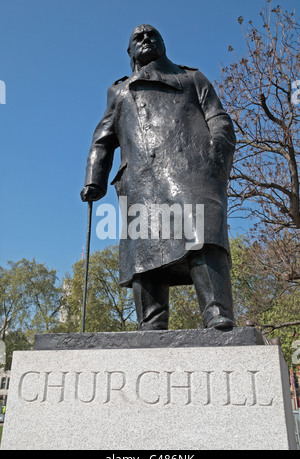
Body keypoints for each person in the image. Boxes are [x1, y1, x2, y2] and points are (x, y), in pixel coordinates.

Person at [81, 24, 236, 331]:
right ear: (130, 52)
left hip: (192, 171)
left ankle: (217, 312)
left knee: (203, 236)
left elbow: (219, 118)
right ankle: (151, 322)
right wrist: (94, 179)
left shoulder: (192, 78)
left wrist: (217, 153)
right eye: (138, 38)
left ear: (164, 43)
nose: (146, 40)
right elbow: (102, 139)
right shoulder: (120, 91)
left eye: (153, 35)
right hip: (142, 179)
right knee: (146, 251)